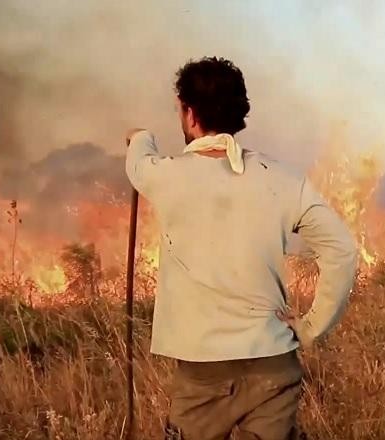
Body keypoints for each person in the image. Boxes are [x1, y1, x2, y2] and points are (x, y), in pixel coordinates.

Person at [125, 56, 358, 440]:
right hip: (274, 368)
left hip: (203, 377)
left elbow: (138, 160)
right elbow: (342, 252)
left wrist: (139, 136)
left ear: (189, 113)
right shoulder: (282, 180)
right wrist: (311, 327)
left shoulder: (164, 175)